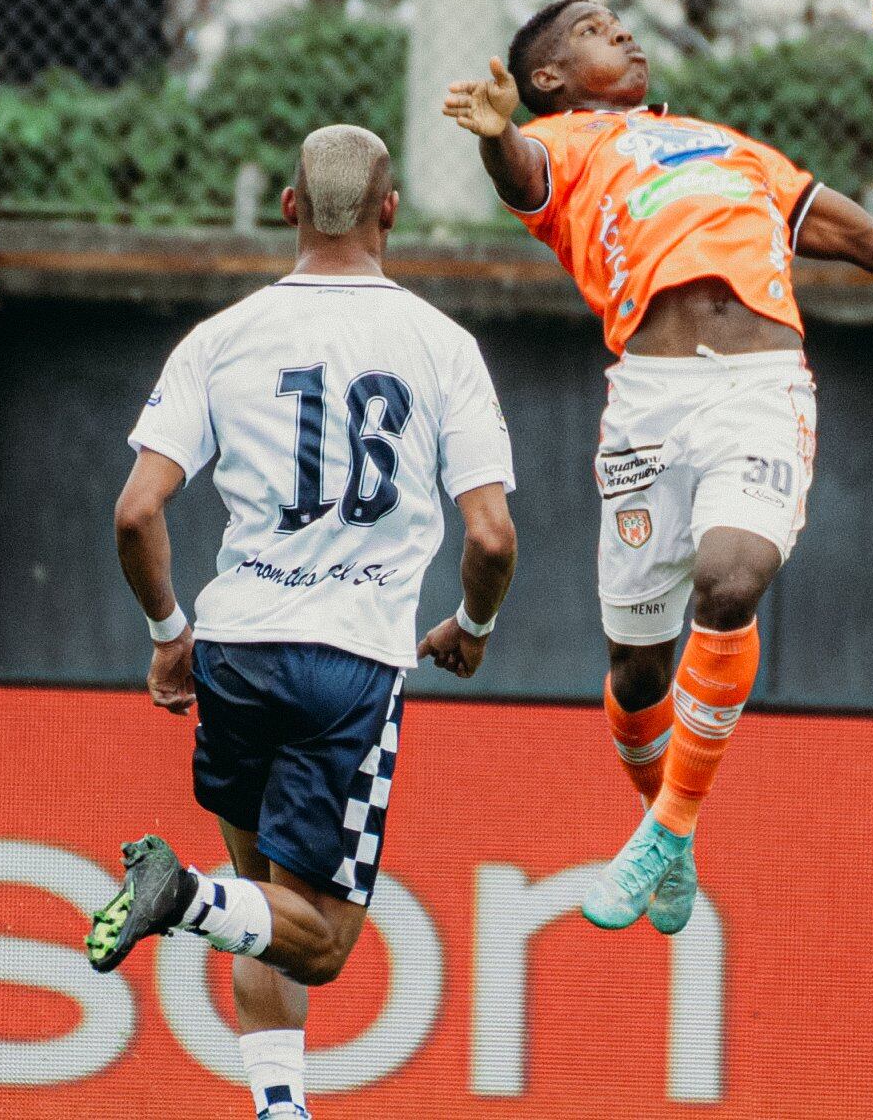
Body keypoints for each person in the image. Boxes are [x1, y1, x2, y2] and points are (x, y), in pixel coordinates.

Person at [442, 0, 873, 934]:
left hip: (760, 391)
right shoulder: (563, 145)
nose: (625, 31)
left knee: (731, 586)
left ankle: (669, 825)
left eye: (623, 21)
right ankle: (672, 835)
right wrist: (497, 138)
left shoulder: (737, 151)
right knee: (637, 670)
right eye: (595, 29)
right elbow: (519, 169)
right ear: (548, 81)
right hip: (648, 409)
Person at [84, 124, 518, 1120]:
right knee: (318, 940)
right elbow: (491, 534)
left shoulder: (220, 338)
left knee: (264, 911)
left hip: (236, 647)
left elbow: (135, 510)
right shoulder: (442, 346)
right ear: (390, 211)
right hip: (351, 663)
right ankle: (177, 895)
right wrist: (470, 621)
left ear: (288, 209)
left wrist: (167, 632)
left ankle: (280, 1105)